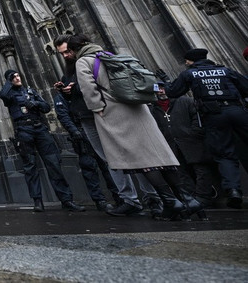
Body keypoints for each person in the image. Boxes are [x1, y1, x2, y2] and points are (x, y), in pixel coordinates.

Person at [70, 35, 205, 220]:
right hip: (139, 109)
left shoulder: (84, 61)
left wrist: (97, 108)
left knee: (144, 161)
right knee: (161, 157)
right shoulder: (110, 55)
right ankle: (188, 199)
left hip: (117, 113)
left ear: (76, 49)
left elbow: (88, 88)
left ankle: (171, 202)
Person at [54, 35, 159, 217]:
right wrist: (67, 92)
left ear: (74, 49)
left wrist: (93, 103)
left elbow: (101, 86)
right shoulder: (72, 70)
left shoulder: (89, 61)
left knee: (129, 155)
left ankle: (150, 197)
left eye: (66, 52)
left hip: (103, 113)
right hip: (87, 115)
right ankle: (131, 199)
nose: (65, 56)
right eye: (61, 54)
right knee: (111, 159)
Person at [164, 48, 248, 209]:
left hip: (214, 115)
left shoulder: (189, 74)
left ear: (191, 61)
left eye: (187, 61)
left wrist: (166, 82)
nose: (186, 63)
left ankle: (233, 191)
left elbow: (173, 92)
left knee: (224, 154)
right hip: (237, 110)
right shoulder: (225, 70)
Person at [0, 70, 85, 213]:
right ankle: (37, 201)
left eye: (18, 75)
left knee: (54, 164)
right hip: (24, 130)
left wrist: (36, 104)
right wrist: (8, 81)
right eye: (13, 77)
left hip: (40, 129)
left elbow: (46, 107)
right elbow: (2, 94)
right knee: (30, 167)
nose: (17, 78)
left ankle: (67, 200)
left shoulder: (30, 91)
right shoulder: (9, 95)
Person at [52, 79, 116, 212]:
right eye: (66, 85)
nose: (69, 87)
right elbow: (63, 115)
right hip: (80, 133)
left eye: (71, 84)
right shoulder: (60, 98)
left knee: (107, 164)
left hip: (93, 129)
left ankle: (119, 196)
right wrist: (74, 131)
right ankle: (99, 200)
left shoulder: (81, 94)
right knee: (89, 167)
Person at [151, 86, 216, 208]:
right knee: (180, 172)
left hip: (191, 140)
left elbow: (197, 117)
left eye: (163, 87)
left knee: (201, 168)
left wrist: (194, 132)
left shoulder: (185, 101)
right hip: (170, 143)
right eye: (157, 89)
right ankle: (191, 198)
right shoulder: (154, 108)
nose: (160, 91)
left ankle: (203, 196)